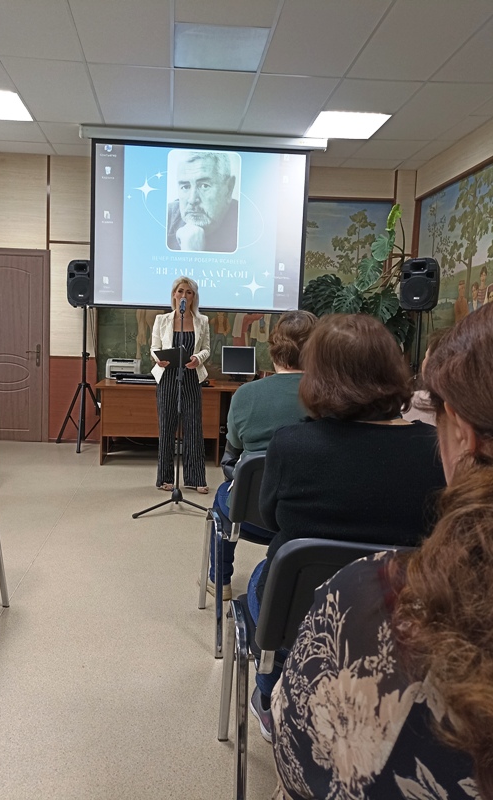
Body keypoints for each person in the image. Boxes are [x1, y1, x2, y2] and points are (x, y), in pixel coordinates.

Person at [271, 303, 493, 800]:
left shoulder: (359, 598)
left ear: (461, 433)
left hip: (292, 602)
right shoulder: (421, 453)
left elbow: (298, 759)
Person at [247, 313, 446, 740]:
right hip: (402, 622)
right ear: (393, 371)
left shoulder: (291, 444)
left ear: (315, 376)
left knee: (265, 575)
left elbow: (270, 519)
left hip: (301, 616)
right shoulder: (434, 449)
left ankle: (270, 694)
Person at [206, 310, 318, 600]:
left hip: (252, 515)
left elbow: (231, 456)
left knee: (223, 496)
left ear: (273, 349)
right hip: (314, 518)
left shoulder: (245, 395)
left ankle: (220, 581)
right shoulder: (333, 397)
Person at [151, 278, 210, 493]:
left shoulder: (202, 321)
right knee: (167, 427)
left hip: (191, 376)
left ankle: (196, 479)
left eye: (189, 292)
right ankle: (165, 478)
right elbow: (154, 347)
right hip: (168, 376)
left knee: (193, 427)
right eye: (180, 291)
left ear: (194, 297)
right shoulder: (162, 320)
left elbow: (206, 348)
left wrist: (197, 358)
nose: (184, 295)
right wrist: (158, 359)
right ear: (174, 294)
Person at [166, 151, 239, 253]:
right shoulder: (167, 216)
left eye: (204, 186)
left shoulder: (246, 223)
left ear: (229, 189)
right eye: (185, 187)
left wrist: (191, 252)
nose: (192, 200)